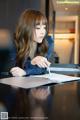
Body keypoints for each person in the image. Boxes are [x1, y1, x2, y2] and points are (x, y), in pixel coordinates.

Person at [10, 9, 53, 76]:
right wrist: (32, 63)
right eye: (38, 28)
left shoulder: (48, 41)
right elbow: (12, 68)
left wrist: (25, 72)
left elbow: (42, 69)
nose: (43, 32)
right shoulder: (13, 41)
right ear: (26, 28)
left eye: (44, 28)